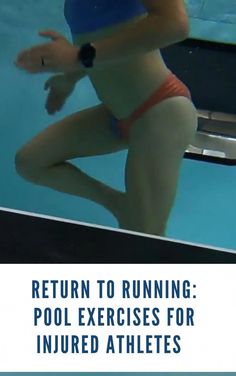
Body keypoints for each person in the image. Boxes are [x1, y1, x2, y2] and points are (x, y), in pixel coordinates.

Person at [15, 0, 197, 236]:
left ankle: (134, 218)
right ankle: (119, 205)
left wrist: (79, 56)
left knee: (143, 236)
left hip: (161, 109)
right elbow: (103, 42)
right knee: (30, 162)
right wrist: (69, 78)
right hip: (116, 114)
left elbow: (175, 24)